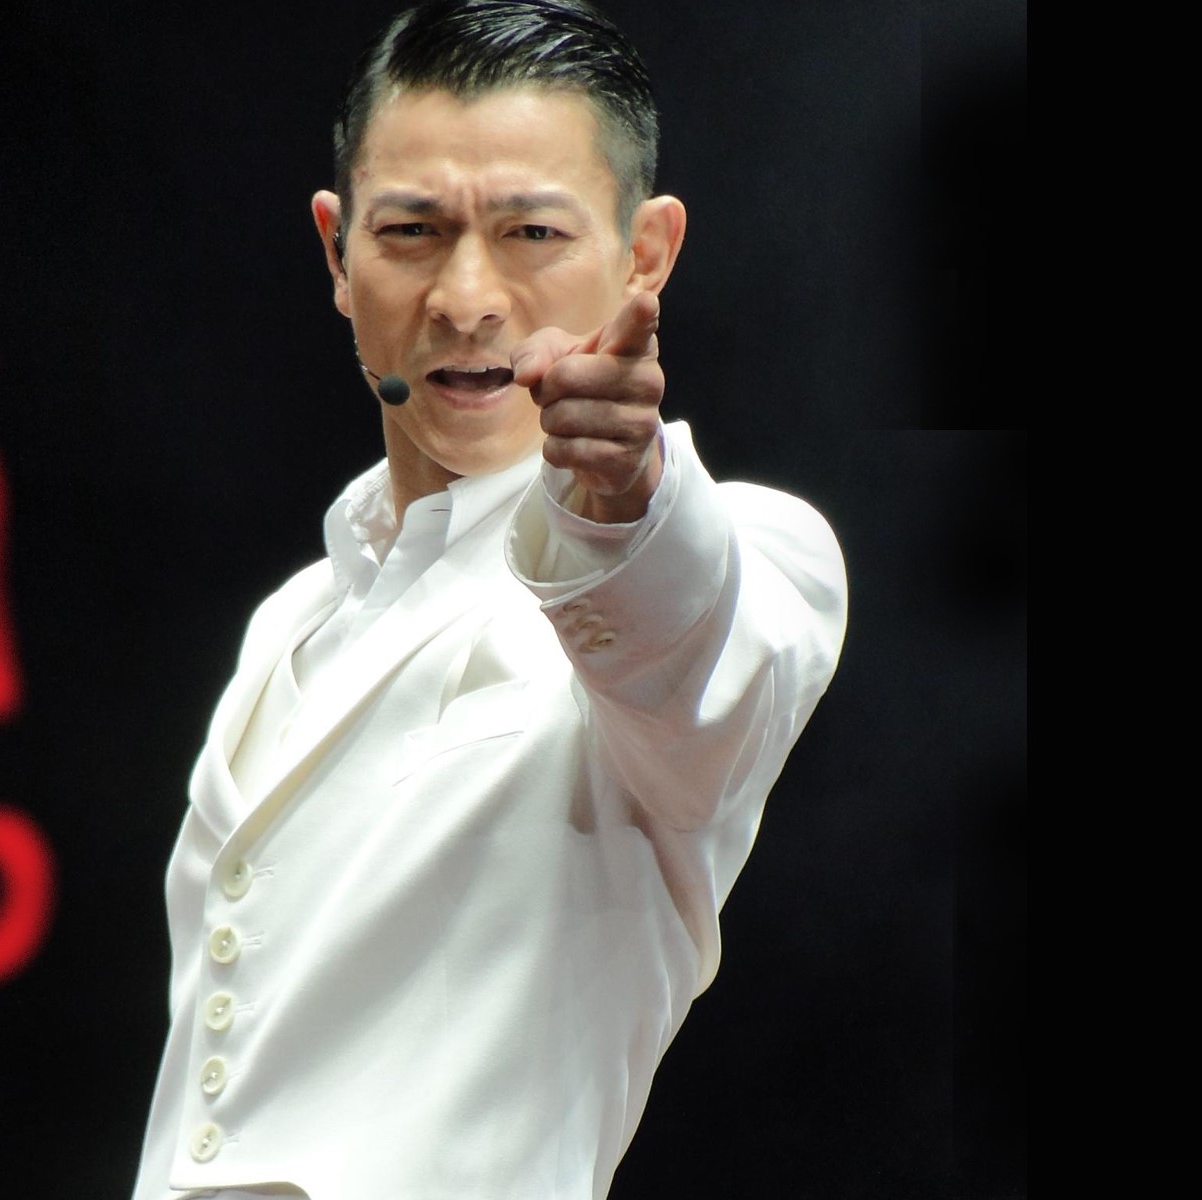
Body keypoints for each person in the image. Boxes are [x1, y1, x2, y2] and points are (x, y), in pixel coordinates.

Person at [131, 2, 848, 1197]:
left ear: (646, 254)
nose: (467, 297)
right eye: (412, 231)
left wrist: (623, 495)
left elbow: (690, 655)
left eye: (531, 232)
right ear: (336, 251)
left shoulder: (750, 552)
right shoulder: (294, 619)